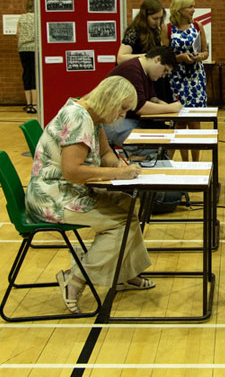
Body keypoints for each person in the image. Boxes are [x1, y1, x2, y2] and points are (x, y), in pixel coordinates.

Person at [25, 76, 153, 315]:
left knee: (125, 204)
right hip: (52, 197)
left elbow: (105, 153)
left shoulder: (90, 113)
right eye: (122, 108)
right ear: (110, 100)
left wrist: (119, 167)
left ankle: (123, 273)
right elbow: (72, 170)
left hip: (68, 190)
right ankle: (74, 279)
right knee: (119, 223)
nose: (123, 115)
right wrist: (117, 173)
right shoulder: (79, 118)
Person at [104, 46, 182, 153]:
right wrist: (170, 108)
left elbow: (152, 98)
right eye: (164, 71)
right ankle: (147, 166)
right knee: (150, 146)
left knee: (163, 136)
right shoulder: (132, 70)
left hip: (126, 119)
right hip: (110, 122)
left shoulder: (144, 71)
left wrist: (164, 105)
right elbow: (141, 107)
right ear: (157, 59)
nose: (163, 76)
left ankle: (159, 166)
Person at [165, 0, 209, 162]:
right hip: (177, 79)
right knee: (180, 122)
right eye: (190, 6)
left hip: (196, 79)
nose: (193, 9)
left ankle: (197, 163)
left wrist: (199, 56)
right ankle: (184, 162)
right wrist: (180, 58)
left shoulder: (198, 26)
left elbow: (206, 52)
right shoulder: (167, 29)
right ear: (180, 9)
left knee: (195, 121)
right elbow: (164, 56)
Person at [117, 0, 173, 103]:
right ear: (145, 16)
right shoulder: (134, 32)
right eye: (155, 18)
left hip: (152, 80)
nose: (158, 22)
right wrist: (147, 57)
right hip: (138, 80)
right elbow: (120, 58)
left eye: (160, 18)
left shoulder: (155, 31)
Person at [17, 0, 37, 114]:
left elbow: (17, 33)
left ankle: (28, 103)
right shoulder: (38, 18)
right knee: (34, 74)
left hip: (22, 49)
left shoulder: (21, 18)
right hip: (34, 48)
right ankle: (35, 104)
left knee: (26, 73)